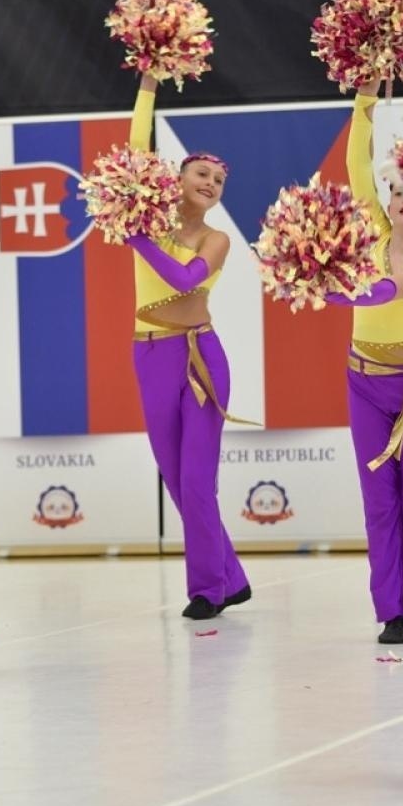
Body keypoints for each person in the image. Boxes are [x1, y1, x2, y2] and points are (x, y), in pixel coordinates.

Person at [326, 81, 403, 644]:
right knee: (379, 502)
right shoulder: (372, 235)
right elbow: (358, 163)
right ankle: (390, 613)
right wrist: (364, 100)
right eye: (399, 189)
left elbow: (376, 295)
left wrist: (315, 286)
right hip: (364, 383)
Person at [124, 74, 251, 620]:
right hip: (150, 355)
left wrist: (136, 238)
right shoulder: (146, 215)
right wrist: (149, 83)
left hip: (200, 358)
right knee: (177, 480)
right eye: (202, 173)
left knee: (197, 479)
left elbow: (182, 280)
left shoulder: (215, 239)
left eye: (220, 180)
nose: (212, 183)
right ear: (174, 179)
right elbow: (134, 151)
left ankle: (207, 590)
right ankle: (232, 577)